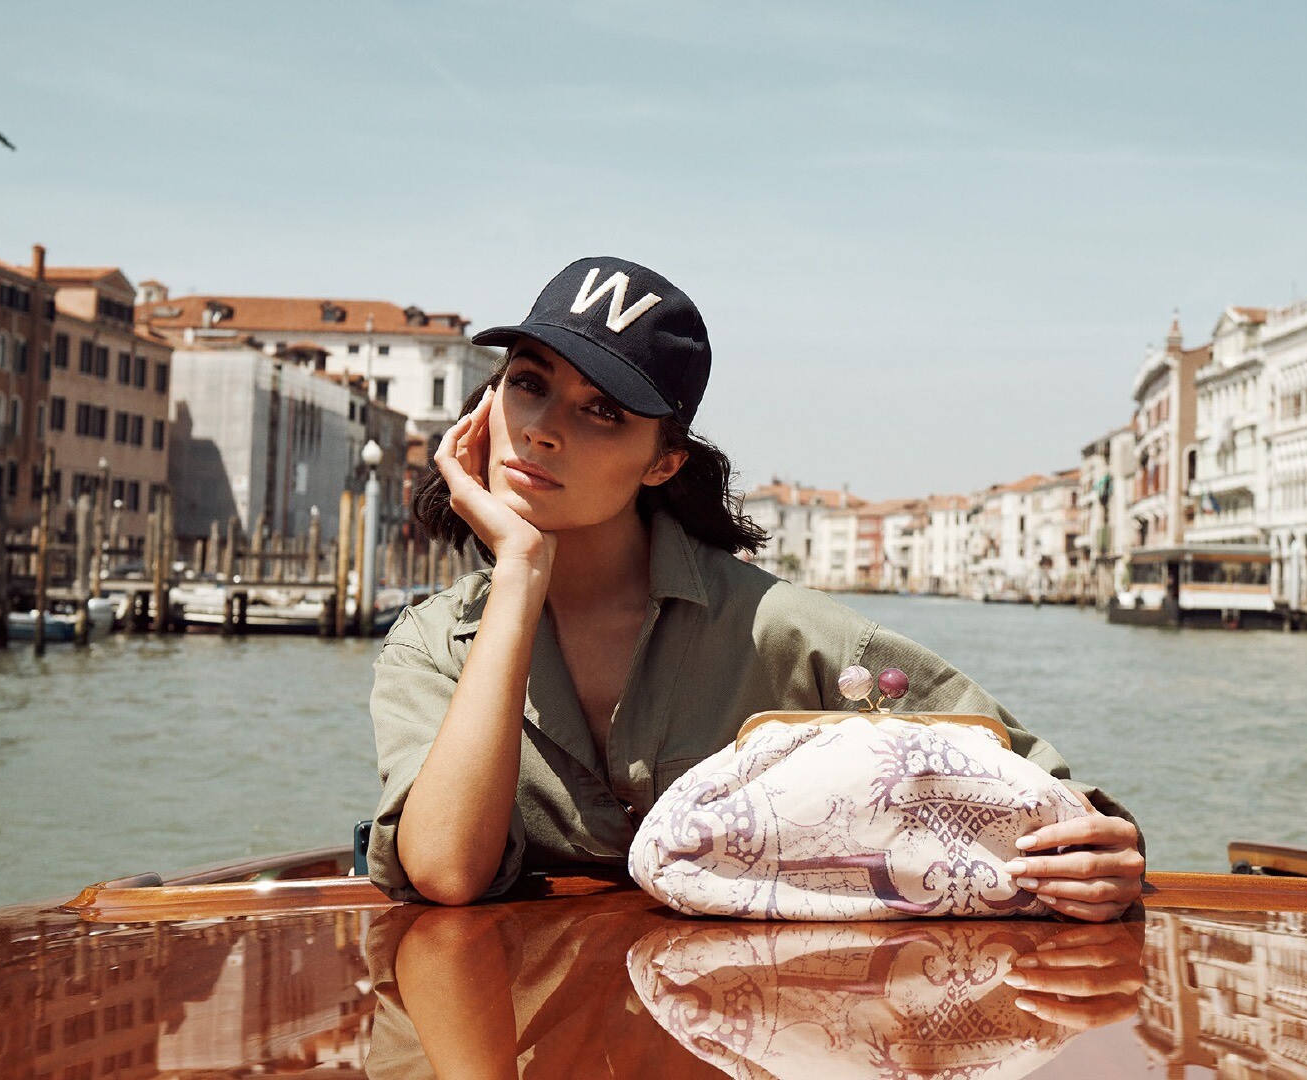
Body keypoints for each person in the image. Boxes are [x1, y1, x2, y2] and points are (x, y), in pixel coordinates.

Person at [368, 256, 1144, 920]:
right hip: (513, 1015)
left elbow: (1031, 782)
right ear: (487, 404)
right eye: (528, 383)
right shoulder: (433, 646)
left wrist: (1102, 854)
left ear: (663, 462)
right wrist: (519, 575)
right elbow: (446, 871)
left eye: (601, 410)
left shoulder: (781, 631)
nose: (541, 427)